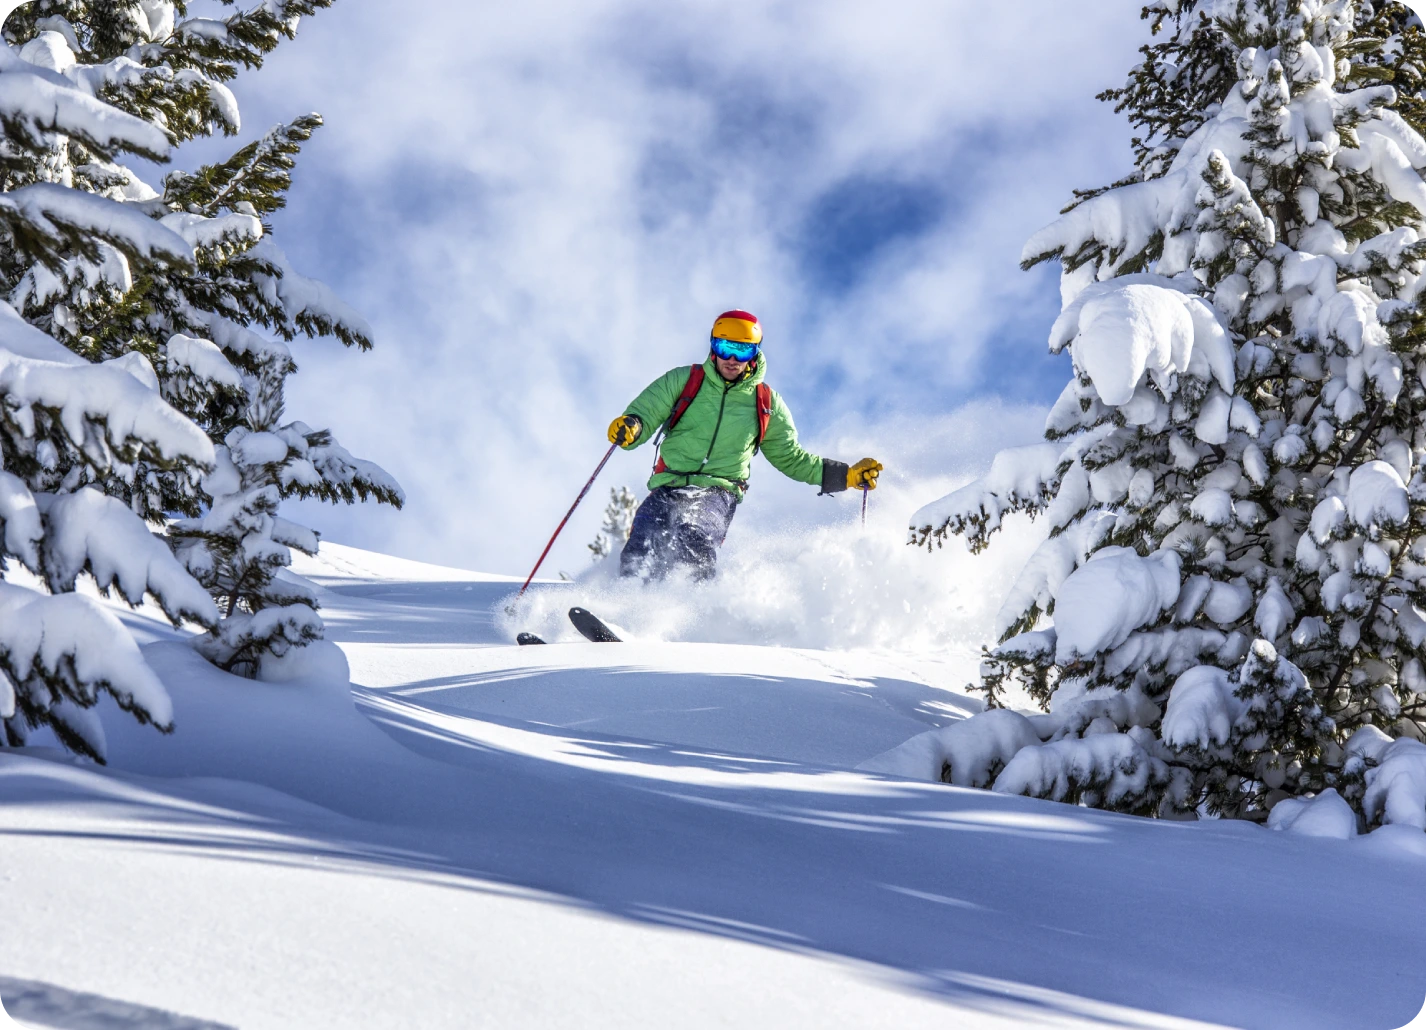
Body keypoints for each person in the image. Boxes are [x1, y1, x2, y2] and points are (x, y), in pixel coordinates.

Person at [606, 309, 883, 581]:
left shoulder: (765, 403)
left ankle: (689, 609)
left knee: (693, 536)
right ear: (713, 347)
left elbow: (791, 458)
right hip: (669, 484)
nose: (732, 359)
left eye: (743, 351)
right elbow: (646, 412)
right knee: (642, 541)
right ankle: (628, 605)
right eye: (725, 347)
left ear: (755, 353)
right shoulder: (685, 380)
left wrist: (845, 476)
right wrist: (632, 426)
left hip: (717, 492)